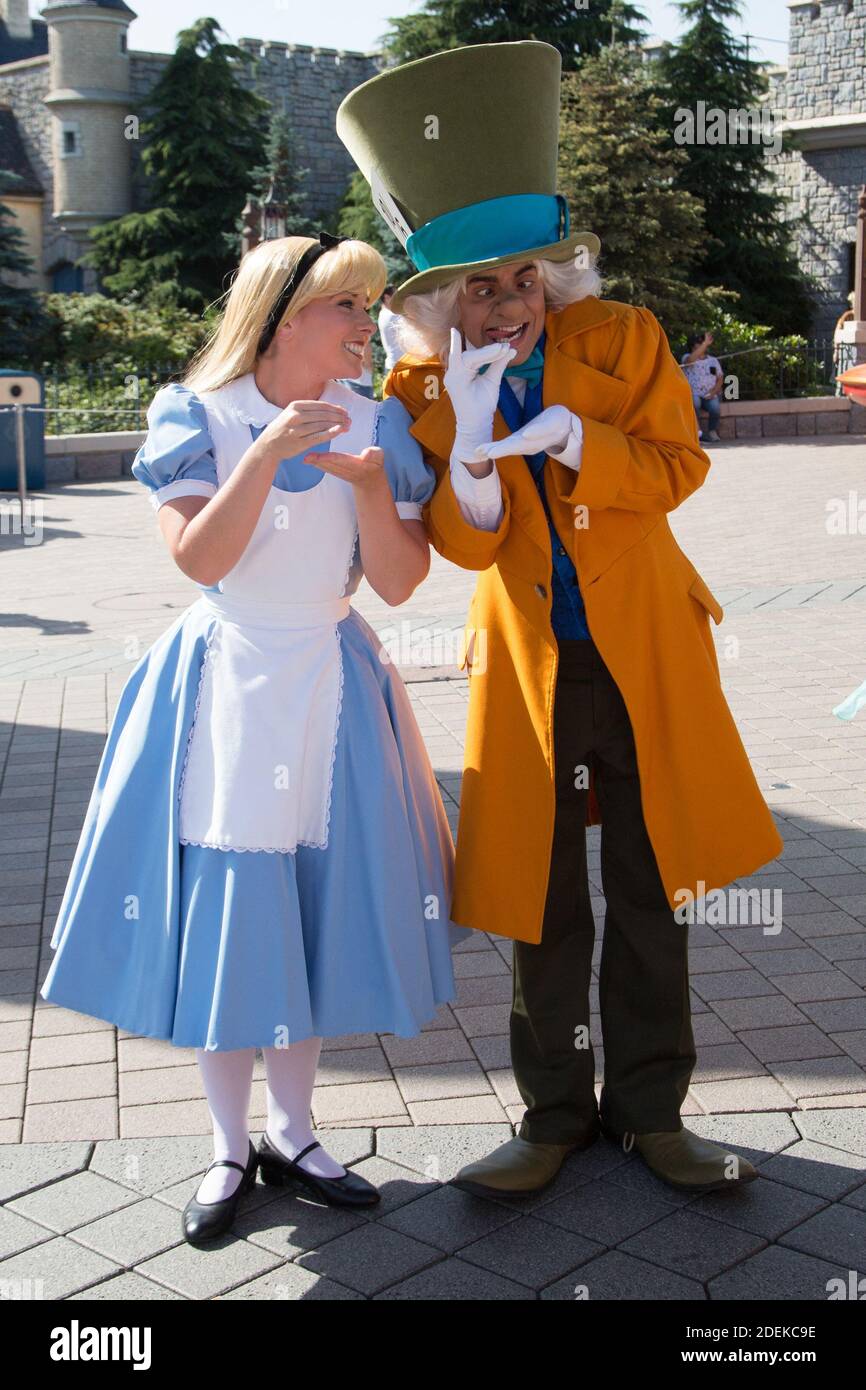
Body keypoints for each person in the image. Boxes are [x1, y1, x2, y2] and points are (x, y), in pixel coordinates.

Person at [337, 40, 783, 1197]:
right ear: (439, 300)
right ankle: (550, 1116)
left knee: (648, 884)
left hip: (647, 655)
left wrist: (576, 439)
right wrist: (475, 459)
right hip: (531, 670)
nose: (503, 305)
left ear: (551, 278)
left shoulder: (620, 340)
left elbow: (677, 468)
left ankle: (651, 1112)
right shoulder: (421, 391)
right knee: (542, 901)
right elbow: (462, 547)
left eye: (521, 279)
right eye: (477, 287)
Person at [40, 231, 470, 1245]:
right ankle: (230, 1146)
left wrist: (368, 482)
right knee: (238, 917)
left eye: (367, 306)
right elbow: (201, 558)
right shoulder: (198, 413)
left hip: (332, 673)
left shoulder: (379, 421)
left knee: (309, 910)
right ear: (281, 317)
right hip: (227, 688)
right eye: (346, 307)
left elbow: (402, 584)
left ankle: (294, 1132)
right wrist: (269, 453)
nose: (365, 324)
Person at [681, 330, 724, 441]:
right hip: (693, 393)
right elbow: (690, 360)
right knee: (695, 403)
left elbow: (720, 378)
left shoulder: (713, 360)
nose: (701, 346)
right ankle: (697, 432)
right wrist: (705, 344)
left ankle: (712, 432)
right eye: (698, 345)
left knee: (715, 408)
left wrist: (713, 392)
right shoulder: (687, 357)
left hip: (709, 394)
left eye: (702, 344)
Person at [378, 285, 404, 370]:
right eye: (396, 295)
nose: (400, 298)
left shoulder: (383, 314)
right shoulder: (392, 316)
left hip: (394, 364)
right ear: (387, 297)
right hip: (400, 366)